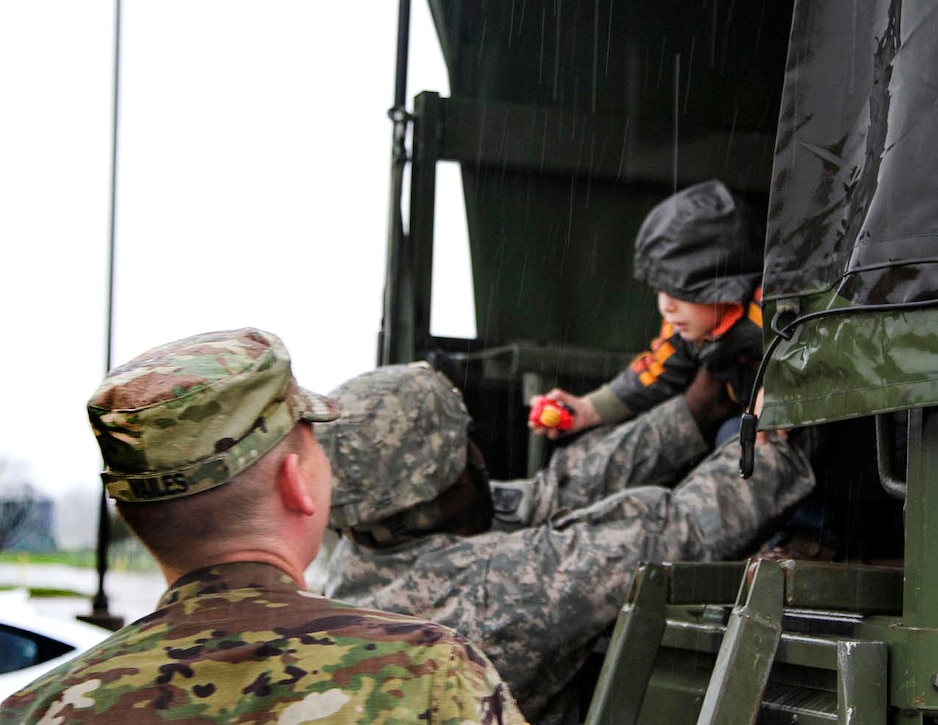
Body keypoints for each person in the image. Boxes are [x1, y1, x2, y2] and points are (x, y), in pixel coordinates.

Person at [0, 328, 524, 724]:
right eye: (314, 444)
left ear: (130, 514)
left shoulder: (32, 711)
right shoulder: (431, 674)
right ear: (296, 483)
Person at [320, 362, 815, 724]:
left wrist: (694, 409)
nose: (476, 452)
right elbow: (679, 529)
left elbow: (552, 492)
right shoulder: (495, 590)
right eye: (462, 445)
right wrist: (775, 433)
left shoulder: (364, 555)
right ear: (447, 484)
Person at [530, 179, 765, 446]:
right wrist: (586, 409)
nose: (667, 306)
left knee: (737, 439)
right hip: (748, 427)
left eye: (681, 292)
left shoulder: (773, 313)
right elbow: (655, 372)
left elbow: (816, 359)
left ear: (723, 284)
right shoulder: (685, 327)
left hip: (803, 437)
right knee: (731, 437)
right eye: (659, 291)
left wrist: (782, 397)